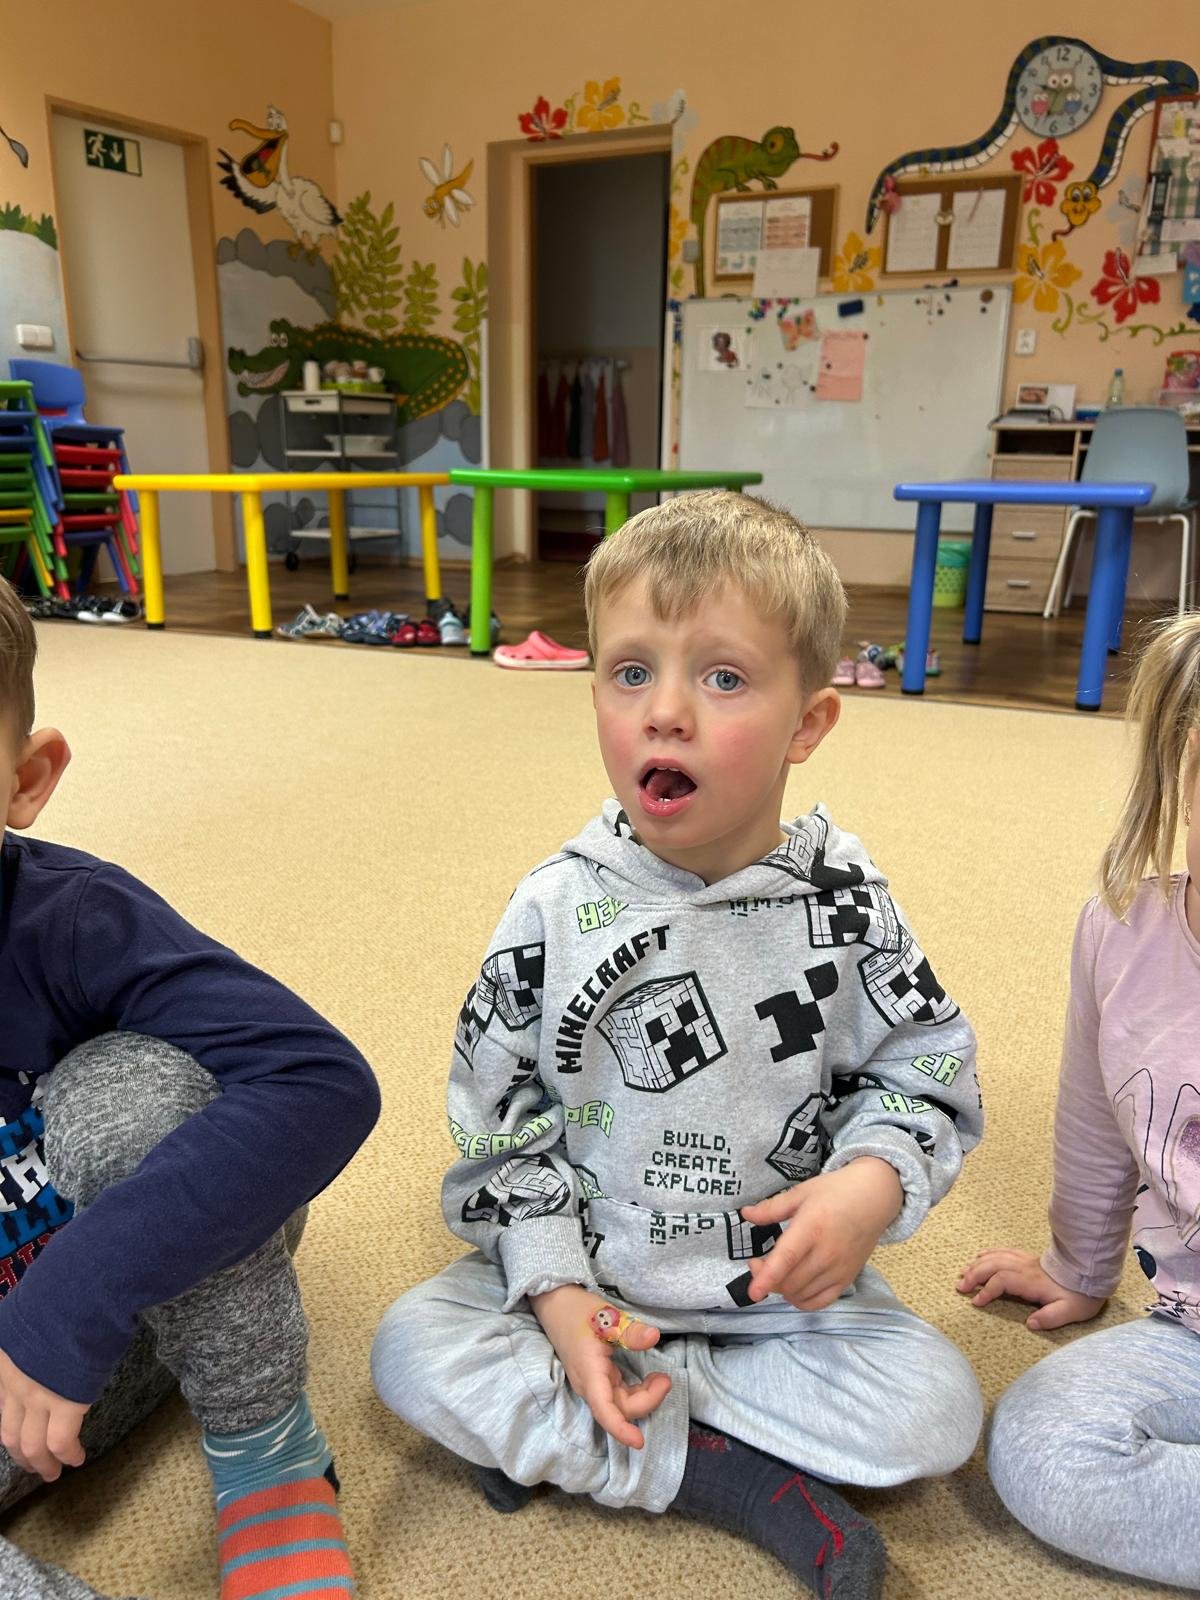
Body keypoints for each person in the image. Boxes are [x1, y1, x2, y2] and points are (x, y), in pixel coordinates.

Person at [373, 491, 984, 1599]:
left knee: (937, 1412)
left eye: (724, 678)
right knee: (411, 1349)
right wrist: (556, 1291)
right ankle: (729, 1476)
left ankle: (587, 1432)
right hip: (595, 1277)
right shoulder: (554, 908)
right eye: (630, 671)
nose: (664, 713)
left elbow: (926, 1069)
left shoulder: (847, 906)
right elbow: (501, 1127)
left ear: (809, 724)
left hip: (780, 1300)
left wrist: (871, 1185)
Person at [0, 577, 379, 1600]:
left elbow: (322, 1080)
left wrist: (79, 1289)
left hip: (159, 1290)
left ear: (25, 780)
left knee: (121, 1099)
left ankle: (270, 1462)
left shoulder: (72, 918)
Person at [958, 612, 1200, 1590]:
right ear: (1183, 761)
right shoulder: (1120, 935)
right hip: (1190, 1334)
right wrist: (1080, 1265)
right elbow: (1099, 1123)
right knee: (1040, 1443)